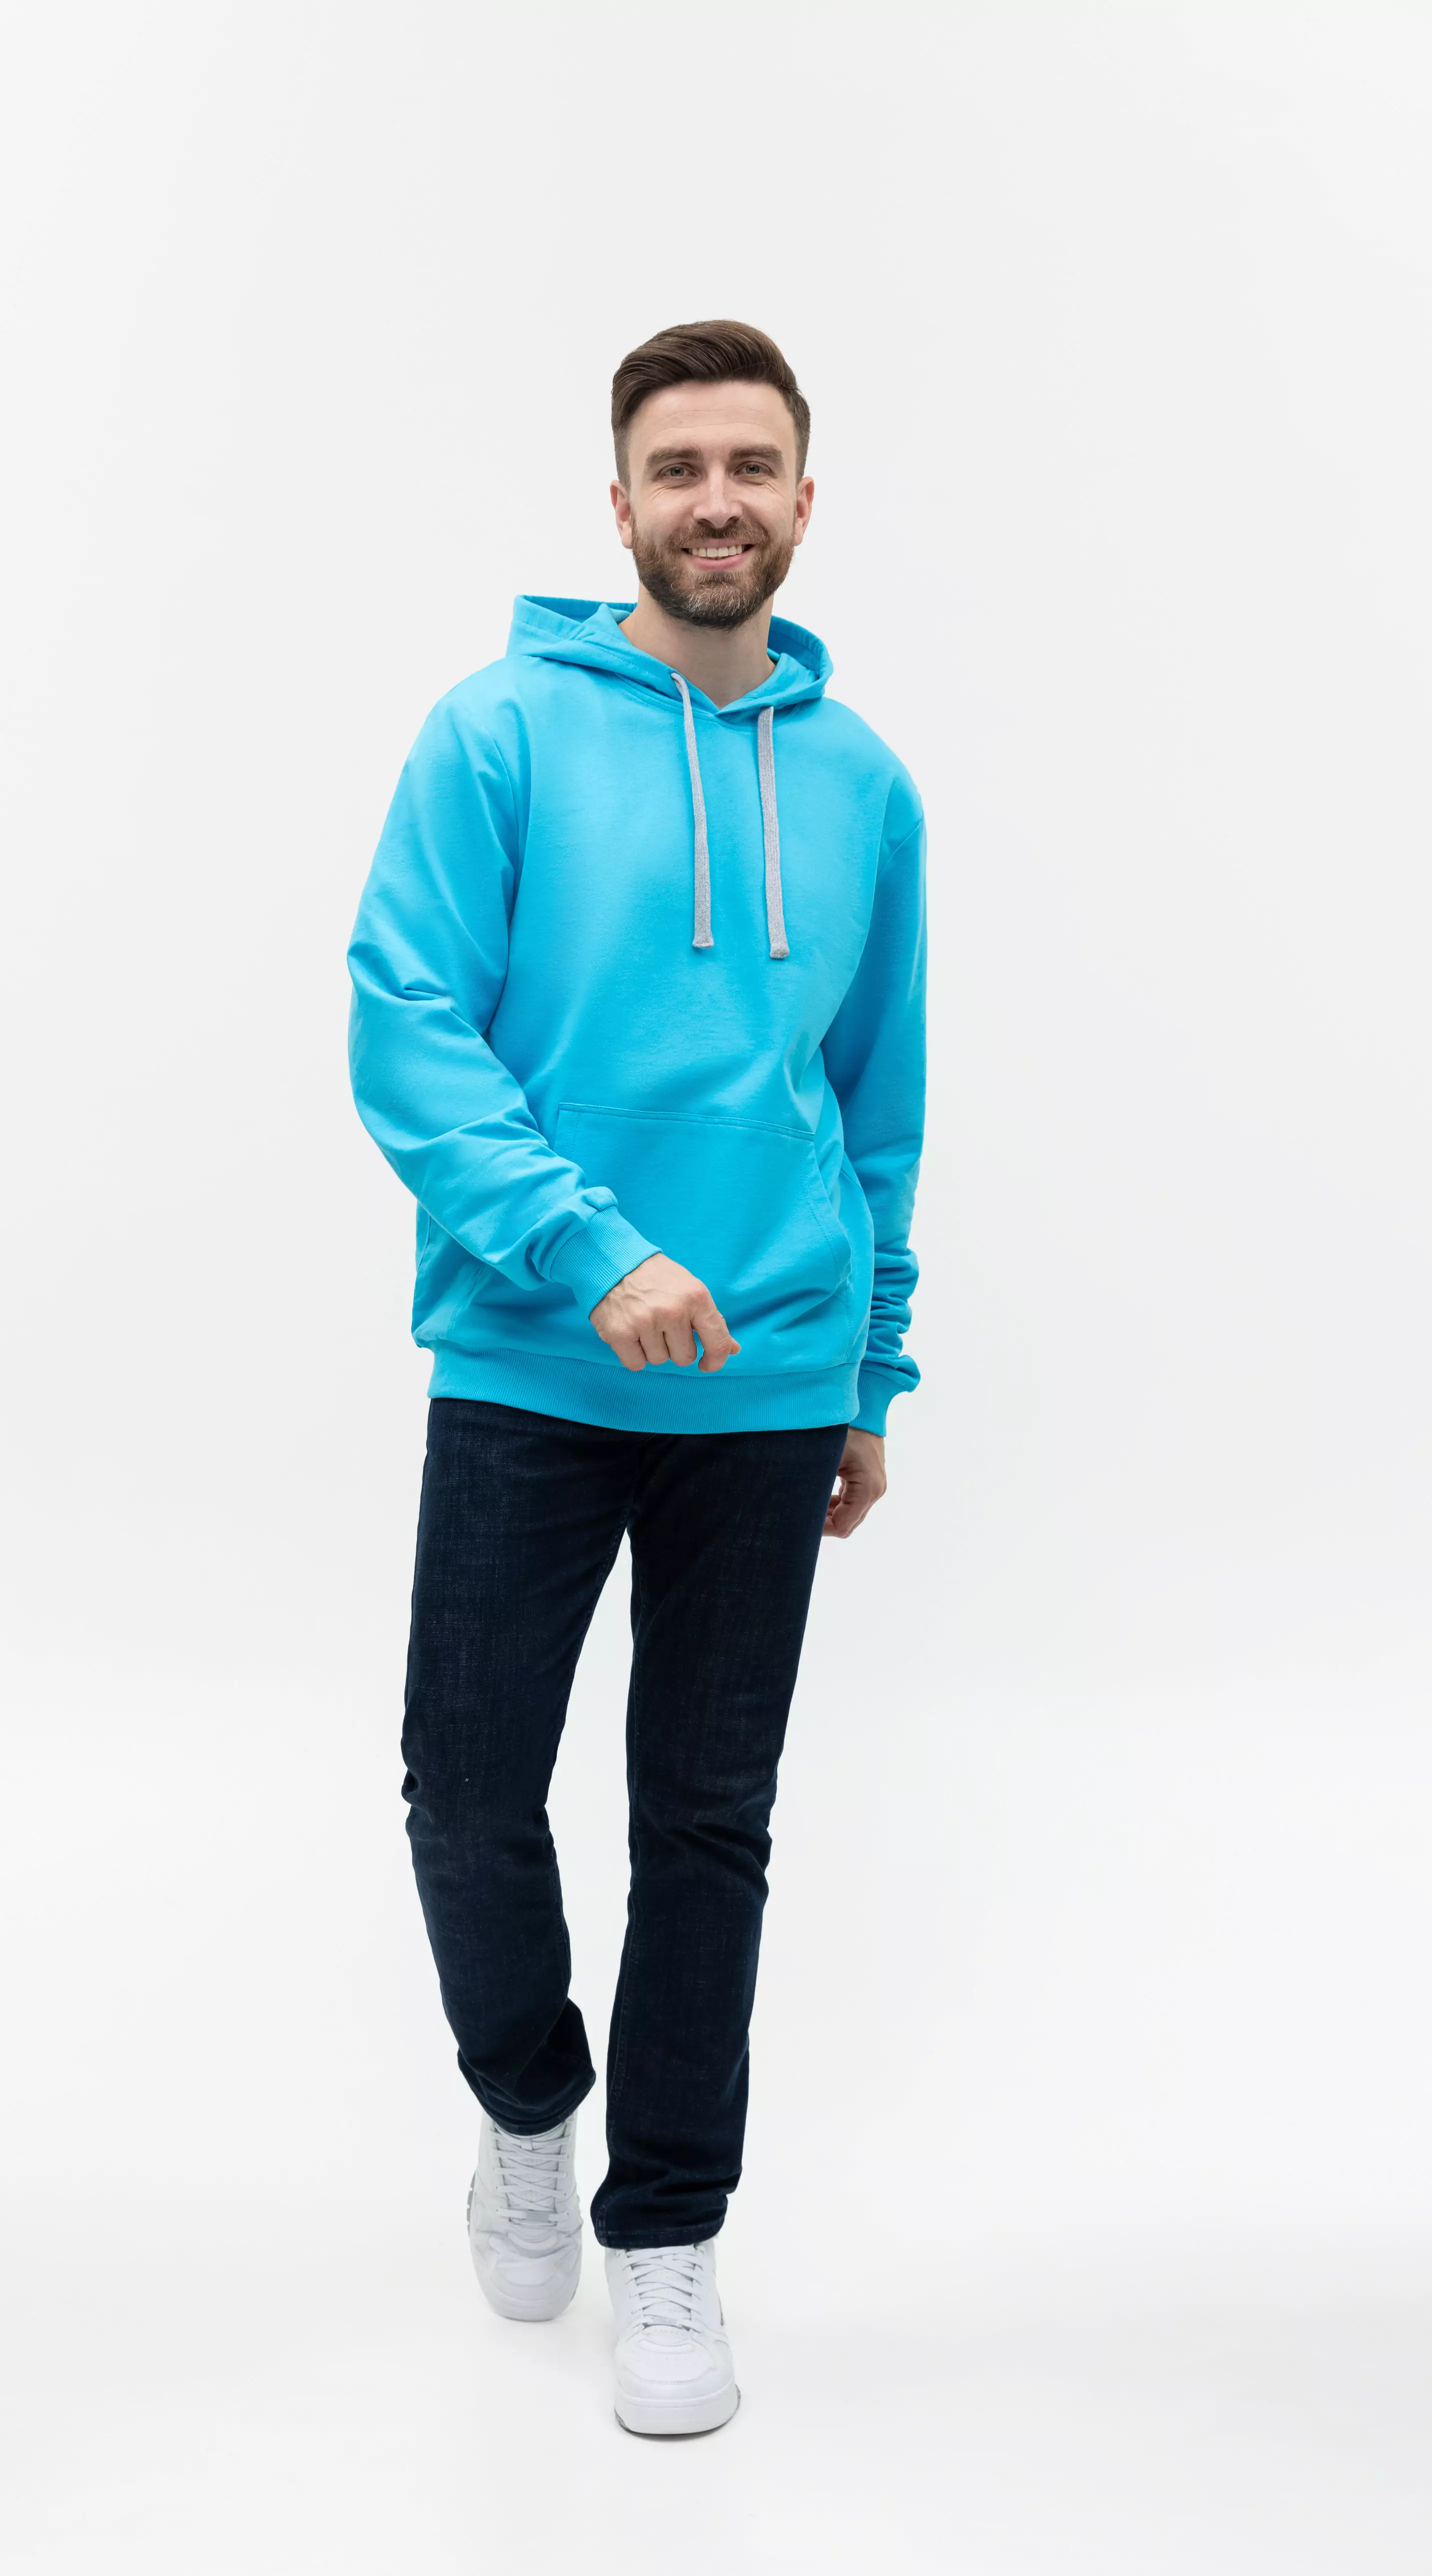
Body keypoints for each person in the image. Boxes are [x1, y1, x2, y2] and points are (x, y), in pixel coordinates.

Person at [346, 319, 926, 2437]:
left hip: (767, 1384)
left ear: (804, 498)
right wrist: (593, 1251)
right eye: (677, 467)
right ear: (618, 505)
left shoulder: (864, 787)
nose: (716, 500)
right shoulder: (496, 733)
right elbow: (407, 1024)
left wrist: (871, 1365)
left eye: (751, 465)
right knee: (467, 1785)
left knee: (706, 1823)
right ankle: (530, 2107)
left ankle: (669, 2237)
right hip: (532, 1358)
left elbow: (878, 1098)